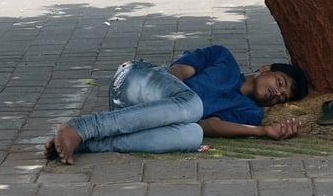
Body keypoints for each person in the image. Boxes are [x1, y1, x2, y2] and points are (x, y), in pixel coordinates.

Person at [43, 44, 309, 165]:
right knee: (192, 106)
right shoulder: (224, 58)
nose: (277, 92)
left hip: (137, 116)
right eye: (280, 82)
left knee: (193, 133)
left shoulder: (250, 112)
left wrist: (264, 132)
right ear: (266, 69)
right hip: (135, 82)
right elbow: (176, 73)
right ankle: (83, 127)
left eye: (282, 96)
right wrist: (177, 101)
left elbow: (209, 126)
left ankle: (90, 143)